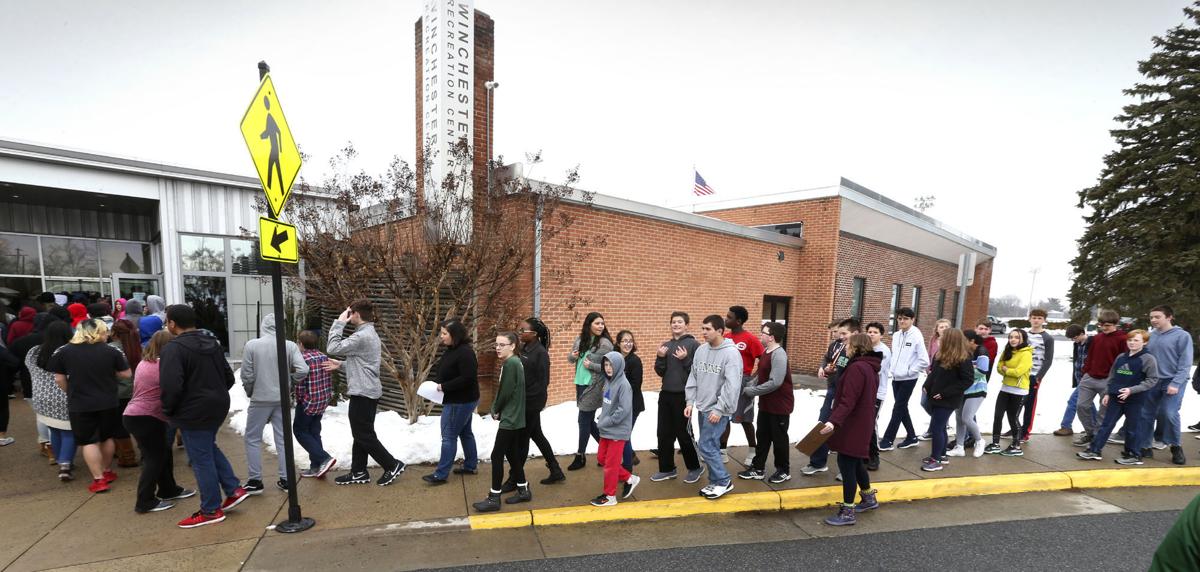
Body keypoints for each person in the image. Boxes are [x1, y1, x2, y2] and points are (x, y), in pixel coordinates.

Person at [160, 304, 250, 528]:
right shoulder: (213, 343)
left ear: (172, 323)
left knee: (201, 459)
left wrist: (169, 409)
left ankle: (210, 509)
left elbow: (171, 386)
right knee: (208, 447)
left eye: (167, 321)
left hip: (193, 410)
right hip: (217, 405)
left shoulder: (173, 349)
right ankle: (233, 489)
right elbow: (229, 378)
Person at [326, 300, 406, 486]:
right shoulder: (367, 333)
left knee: (363, 434)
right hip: (366, 390)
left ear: (356, 314)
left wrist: (339, 323)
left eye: (349, 312)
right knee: (361, 433)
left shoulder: (362, 336)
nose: (347, 315)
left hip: (363, 392)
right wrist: (341, 365)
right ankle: (359, 471)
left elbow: (332, 348)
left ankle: (392, 465)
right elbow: (364, 365)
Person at [48, 319, 131, 494]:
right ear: (99, 332)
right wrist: (108, 372)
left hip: (80, 403)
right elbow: (126, 374)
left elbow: (58, 378)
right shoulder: (111, 350)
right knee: (107, 437)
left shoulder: (64, 351)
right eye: (105, 331)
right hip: (108, 401)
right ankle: (107, 471)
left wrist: (70, 391)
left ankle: (98, 479)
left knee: (88, 441)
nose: (107, 334)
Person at [123, 330, 195, 513]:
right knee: (153, 459)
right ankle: (144, 501)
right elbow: (176, 389)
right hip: (146, 417)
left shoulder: (144, 363)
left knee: (162, 453)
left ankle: (168, 489)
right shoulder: (162, 367)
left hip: (136, 415)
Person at [240, 314, 309, 493]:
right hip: (282, 398)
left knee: (252, 438)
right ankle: (286, 479)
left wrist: (250, 391)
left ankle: (255, 480)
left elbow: (246, 374)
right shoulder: (289, 345)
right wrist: (289, 382)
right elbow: (303, 370)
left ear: (263, 326)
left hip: (260, 398)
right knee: (282, 438)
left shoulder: (251, 345)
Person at [820, 333, 882, 526]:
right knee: (856, 463)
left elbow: (848, 401)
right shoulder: (869, 367)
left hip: (852, 424)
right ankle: (868, 497)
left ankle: (848, 511)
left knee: (846, 464)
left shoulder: (857, 369)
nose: (845, 348)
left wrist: (832, 422)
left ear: (856, 347)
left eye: (848, 345)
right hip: (863, 422)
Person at [1077, 329, 1159, 464]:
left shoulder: (1148, 359)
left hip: (1135, 400)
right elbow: (1112, 376)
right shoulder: (1121, 357)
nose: (1132, 343)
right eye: (1130, 340)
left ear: (1145, 342)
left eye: (1136, 340)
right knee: (1106, 424)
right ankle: (1094, 450)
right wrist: (1108, 393)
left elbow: (1152, 380)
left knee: (1133, 428)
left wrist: (1131, 390)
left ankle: (1133, 454)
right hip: (1115, 397)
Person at [685, 314, 743, 500]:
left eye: (707, 329)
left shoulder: (731, 353)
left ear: (720, 331)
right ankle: (715, 481)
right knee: (710, 445)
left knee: (706, 446)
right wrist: (690, 401)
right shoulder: (701, 350)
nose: (703, 332)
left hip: (718, 409)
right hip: (702, 406)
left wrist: (719, 409)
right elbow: (693, 376)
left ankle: (723, 481)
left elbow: (732, 385)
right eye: (702, 328)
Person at [473, 332, 528, 512]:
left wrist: (495, 408)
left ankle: (494, 497)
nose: (497, 348)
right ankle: (523, 489)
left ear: (512, 346)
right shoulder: (514, 362)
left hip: (510, 418)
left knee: (497, 455)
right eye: (496, 344)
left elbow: (505, 391)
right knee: (511, 454)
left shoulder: (511, 364)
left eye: (502, 345)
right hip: (514, 416)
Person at [425, 318, 480, 485]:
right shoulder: (452, 349)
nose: (441, 337)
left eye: (444, 333)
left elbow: (468, 378)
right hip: (461, 400)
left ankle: (440, 475)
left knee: (448, 436)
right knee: (465, 432)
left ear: (454, 335)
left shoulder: (465, 352)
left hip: (460, 401)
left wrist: (444, 386)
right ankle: (470, 465)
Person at [737, 321, 793, 483]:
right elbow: (761, 376)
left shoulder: (779, 354)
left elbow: (775, 382)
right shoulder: (767, 352)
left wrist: (752, 391)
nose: (760, 334)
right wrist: (750, 385)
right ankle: (758, 468)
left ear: (771, 337)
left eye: (763, 332)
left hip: (780, 406)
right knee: (762, 437)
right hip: (766, 405)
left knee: (779, 439)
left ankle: (783, 470)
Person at [651, 311, 704, 483]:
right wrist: (660, 358)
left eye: (680, 322)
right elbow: (660, 372)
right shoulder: (666, 345)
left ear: (686, 325)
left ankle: (695, 467)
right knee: (663, 433)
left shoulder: (694, 345)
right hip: (666, 394)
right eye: (673, 322)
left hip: (684, 396)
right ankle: (667, 469)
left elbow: (697, 373)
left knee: (684, 434)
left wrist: (685, 359)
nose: (676, 324)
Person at [805, 318, 859, 475]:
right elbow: (840, 368)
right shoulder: (841, 348)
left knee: (848, 431)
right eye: (838, 333)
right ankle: (817, 463)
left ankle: (849, 469)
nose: (840, 336)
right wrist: (829, 369)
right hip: (833, 392)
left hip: (848, 397)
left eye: (844, 333)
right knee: (823, 424)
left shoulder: (861, 352)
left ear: (854, 333)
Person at [514, 317, 563, 485]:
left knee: (523, 439)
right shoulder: (525, 347)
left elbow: (543, 383)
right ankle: (556, 470)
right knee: (536, 435)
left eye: (523, 330)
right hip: (524, 401)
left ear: (534, 334)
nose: (520, 332)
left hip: (532, 403)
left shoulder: (540, 353)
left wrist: (528, 402)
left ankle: (515, 478)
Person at [1142, 305, 1193, 464]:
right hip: (1152, 381)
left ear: (1169, 317)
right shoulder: (1151, 336)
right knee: (1145, 413)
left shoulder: (1182, 336)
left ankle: (1175, 446)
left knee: (1169, 413)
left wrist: (1176, 383)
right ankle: (1145, 446)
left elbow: (1185, 363)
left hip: (1173, 381)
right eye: (1151, 317)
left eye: (1157, 317)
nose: (1153, 320)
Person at [590, 350, 641, 506]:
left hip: (617, 431)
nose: (608, 368)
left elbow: (623, 410)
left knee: (611, 465)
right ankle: (629, 478)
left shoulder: (624, 385)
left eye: (611, 365)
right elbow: (609, 404)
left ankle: (610, 496)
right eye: (605, 364)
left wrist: (606, 421)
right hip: (607, 429)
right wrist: (602, 416)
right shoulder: (609, 381)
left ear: (619, 365)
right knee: (601, 459)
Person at [919, 329, 974, 471]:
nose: (940, 338)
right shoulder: (940, 354)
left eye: (943, 337)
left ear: (950, 340)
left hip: (948, 399)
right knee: (940, 426)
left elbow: (967, 381)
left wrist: (945, 393)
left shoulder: (964, 358)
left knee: (937, 428)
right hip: (935, 396)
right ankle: (941, 455)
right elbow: (933, 373)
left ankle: (935, 459)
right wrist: (926, 386)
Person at [1074, 310, 1129, 448]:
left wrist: (1117, 380)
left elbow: (1124, 360)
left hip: (1108, 381)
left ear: (1115, 324)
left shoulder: (1123, 339)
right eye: (1102, 325)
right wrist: (1085, 372)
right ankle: (1090, 433)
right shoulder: (1097, 338)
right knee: (1082, 406)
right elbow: (1090, 356)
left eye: (1108, 325)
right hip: (1090, 377)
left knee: (1103, 412)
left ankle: (1097, 439)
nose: (1104, 328)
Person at [565, 312, 613, 471]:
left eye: (602, 324)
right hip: (580, 383)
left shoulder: (605, 344)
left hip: (594, 386)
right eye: (597, 323)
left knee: (583, 420)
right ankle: (609, 451)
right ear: (589, 324)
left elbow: (611, 368)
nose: (601, 326)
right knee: (589, 421)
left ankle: (580, 456)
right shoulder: (580, 340)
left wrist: (591, 366)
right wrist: (572, 356)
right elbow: (571, 360)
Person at [720, 306, 763, 465]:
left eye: (729, 317)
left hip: (743, 381)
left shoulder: (750, 339)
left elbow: (763, 360)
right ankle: (722, 451)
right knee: (723, 416)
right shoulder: (725, 337)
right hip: (725, 382)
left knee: (745, 418)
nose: (726, 319)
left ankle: (753, 450)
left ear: (738, 321)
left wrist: (753, 378)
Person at [880, 308, 929, 451]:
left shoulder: (916, 336)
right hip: (896, 377)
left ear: (912, 320)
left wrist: (909, 371)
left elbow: (924, 360)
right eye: (900, 318)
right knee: (902, 407)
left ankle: (888, 439)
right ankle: (912, 437)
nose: (902, 321)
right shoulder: (896, 335)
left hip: (909, 378)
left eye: (906, 318)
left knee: (898, 408)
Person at [294, 331, 337, 479]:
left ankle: (324, 458)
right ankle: (316, 466)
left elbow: (300, 383)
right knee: (314, 432)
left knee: (299, 430)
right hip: (321, 401)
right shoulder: (323, 356)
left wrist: (300, 399)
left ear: (300, 344)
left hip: (308, 402)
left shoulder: (303, 359)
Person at [985, 329, 1032, 456]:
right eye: (1011, 337)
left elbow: (1018, 372)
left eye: (1016, 337)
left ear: (1023, 339)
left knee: (1013, 417)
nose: (1013, 340)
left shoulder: (1026, 353)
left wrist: (1007, 369)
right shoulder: (1007, 351)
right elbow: (999, 367)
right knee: (998, 415)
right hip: (1005, 388)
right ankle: (995, 444)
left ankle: (1016, 446)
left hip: (1019, 391)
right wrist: (1007, 370)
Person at [951, 330, 991, 458]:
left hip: (977, 389)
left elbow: (982, 371)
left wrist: (965, 373)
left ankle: (979, 441)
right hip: (963, 389)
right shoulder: (964, 352)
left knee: (967, 418)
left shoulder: (981, 351)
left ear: (972, 341)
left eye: (963, 340)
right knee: (959, 419)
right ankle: (959, 447)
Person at [1017, 309, 1055, 442]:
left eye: (1039, 318)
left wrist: (1039, 376)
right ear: (1029, 319)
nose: (1036, 320)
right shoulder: (1023, 335)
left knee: (1029, 404)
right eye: (1034, 317)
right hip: (1020, 374)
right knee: (1016, 402)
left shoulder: (1048, 338)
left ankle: (1025, 432)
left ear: (1044, 320)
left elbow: (1048, 360)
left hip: (1034, 376)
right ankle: (1016, 427)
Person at [108, 319, 142, 467]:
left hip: (118, 393)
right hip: (139, 391)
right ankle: (145, 453)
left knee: (118, 425)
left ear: (114, 333)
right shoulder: (139, 348)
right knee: (140, 425)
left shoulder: (110, 349)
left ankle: (127, 457)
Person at [1055, 324, 1092, 436]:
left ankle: (1066, 426)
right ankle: (1094, 427)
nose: (1073, 340)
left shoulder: (1092, 343)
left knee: (1072, 402)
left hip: (1088, 380)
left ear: (1082, 333)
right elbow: (1077, 362)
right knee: (1089, 405)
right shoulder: (1077, 344)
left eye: (1075, 338)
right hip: (1080, 379)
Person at [616, 330, 645, 472]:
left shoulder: (634, 361)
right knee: (623, 435)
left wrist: (618, 390)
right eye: (625, 341)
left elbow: (636, 384)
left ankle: (627, 469)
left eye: (630, 341)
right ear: (618, 343)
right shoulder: (615, 359)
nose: (628, 344)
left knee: (623, 436)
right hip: (618, 405)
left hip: (632, 405)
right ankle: (631, 456)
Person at [919, 318, 953, 441]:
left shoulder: (951, 342)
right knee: (924, 402)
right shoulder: (933, 340)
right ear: (937, 329)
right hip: (931, 375)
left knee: (937, 403)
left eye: (946, 327)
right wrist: (928, 370)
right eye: (941, 327)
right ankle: (941, 423)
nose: (943, 329)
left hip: (943, 378)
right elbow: (929, 355)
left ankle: (934, 429)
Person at [865, 322, 892, 471]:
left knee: (871, 424)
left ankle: (874, 456)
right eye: (869, 332)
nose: (871, 334)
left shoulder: (884, 351)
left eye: (875, 332)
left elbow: (877, 371)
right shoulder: (865, 348)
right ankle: (864, 454)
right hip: (865, 392)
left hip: (877, 393)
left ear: (881, 335)